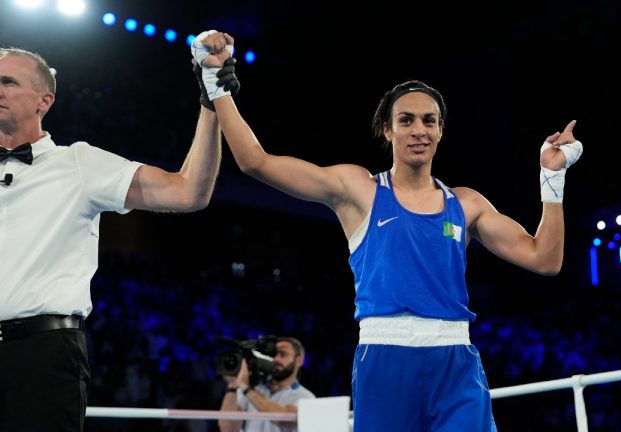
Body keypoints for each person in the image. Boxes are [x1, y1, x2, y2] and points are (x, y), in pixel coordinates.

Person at [194, 31, 583, 432]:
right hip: (384, 356)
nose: (419, 130)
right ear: (387, 130)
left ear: (441, 131)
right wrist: (217, 85)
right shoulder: (357, 189)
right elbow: (255, 162)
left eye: (429, 121)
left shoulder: (467, 204)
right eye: (407, 120)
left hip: (455, 359)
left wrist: (551, 179)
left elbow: (546, 259)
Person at [0, 45, 237, 431]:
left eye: (7, 82)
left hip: (41, 356)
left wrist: (210, 101)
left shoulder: (78, 163)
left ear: (45, 99)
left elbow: (188, 192)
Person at [219, 336, 316, 432]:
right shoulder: (249, 389)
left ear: (299, 360)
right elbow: (227, 429)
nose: (276, 359)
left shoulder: (306, 398)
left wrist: (246, 388)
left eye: (283, 354)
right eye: (273, 354)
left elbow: (282, 417)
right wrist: (232, 385)